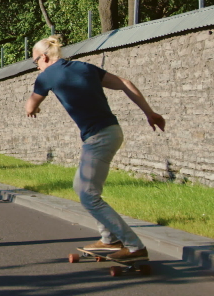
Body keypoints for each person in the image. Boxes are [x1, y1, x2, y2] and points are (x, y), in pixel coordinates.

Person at [25, 36, 165, 262]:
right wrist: (149, 112)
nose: (37, 67)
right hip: (112, 132)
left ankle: (134, 246)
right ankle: (109, 239)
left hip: (98, 137)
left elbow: (30, 105)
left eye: (35, 62)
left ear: (44, 57)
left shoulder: (46, 76)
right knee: (84, 188)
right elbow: (125, 83)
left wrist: (33, 110)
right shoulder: (84, 67)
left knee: (87, 194)